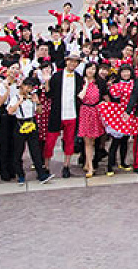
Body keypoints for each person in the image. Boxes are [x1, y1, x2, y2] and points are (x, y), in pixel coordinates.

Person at [44, 50, 82, 178]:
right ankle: (46, 166)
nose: (72, 63)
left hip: (71, 114)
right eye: (70, 61)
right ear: (66, 62)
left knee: (69, 141)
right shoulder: (57, 76)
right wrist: (46, 81)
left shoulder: (78, 78)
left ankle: (66, 166)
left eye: (75, 62)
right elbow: (49, 94)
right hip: (56, 113)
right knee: (50, 141)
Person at [8, 76, 53, 183]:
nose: (29, 89)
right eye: (27, 86)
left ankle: (41, 174)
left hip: (32, 123)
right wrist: (19, 102)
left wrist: (37, 102)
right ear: (22, 86)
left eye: (31, 87)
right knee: (18, 151)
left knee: (35, 150)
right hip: (20, 124)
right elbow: (10, 111)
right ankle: (20, 174)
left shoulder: (32, 97)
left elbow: (39, 112)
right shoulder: (15, 97)